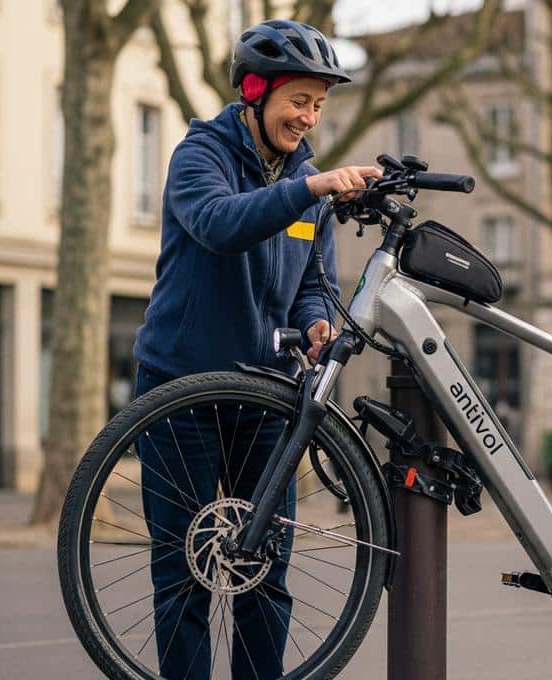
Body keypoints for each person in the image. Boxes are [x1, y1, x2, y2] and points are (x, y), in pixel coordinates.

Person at [129, 19, 381, 680]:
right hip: (179, 388)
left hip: (266, 394)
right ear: (254, 90)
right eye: (299, 99)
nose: (309, 116)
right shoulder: (200, 155)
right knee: (182, 570)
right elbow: (218, 225)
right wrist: (309, 188)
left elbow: (311, 284)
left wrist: (319, 319)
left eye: (320, 105)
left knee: (263, 569)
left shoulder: (307, 184)